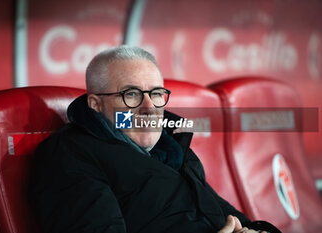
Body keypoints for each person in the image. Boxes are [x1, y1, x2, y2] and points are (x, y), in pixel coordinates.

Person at [30, 46, 278, 233]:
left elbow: (229, 216)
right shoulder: (72, 155)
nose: (149, 108)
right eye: (132, 94)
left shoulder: (173, 148)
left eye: (156, 93)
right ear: (96, 105)